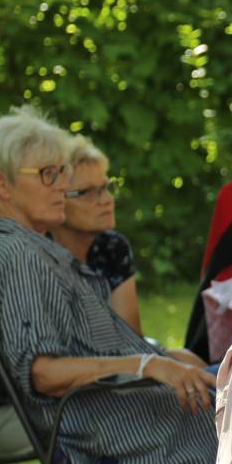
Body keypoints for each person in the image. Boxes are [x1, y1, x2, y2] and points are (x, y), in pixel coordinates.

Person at [0, 107, 227, 464]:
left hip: (110, 411)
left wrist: (159, 364)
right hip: (94, 429)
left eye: (63, 172)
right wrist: (148, 365)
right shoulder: (20, 259)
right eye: (49, 174)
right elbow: (42, 373)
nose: (62, 186)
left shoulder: (34, 247)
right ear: (2, 184)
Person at [52, 135, 144, 334]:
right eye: (86, 192)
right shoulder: (38, 255)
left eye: (105, 188)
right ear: (56, 197)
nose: (106, 200)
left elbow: (132, 338)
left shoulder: (112, 246)